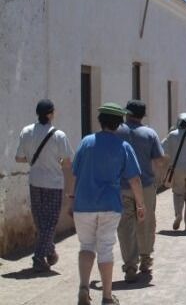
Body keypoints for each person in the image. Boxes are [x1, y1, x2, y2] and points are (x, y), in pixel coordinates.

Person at [67, 102, 145, 305]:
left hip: (83, 204)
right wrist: (140, 205)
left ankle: (84, 288)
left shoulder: (86, 143)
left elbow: (74, 174)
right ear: (119, 123)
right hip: (110, 205)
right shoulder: (123, 147)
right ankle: (107, 296)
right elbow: (135, 179)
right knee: (105, 249)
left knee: (86, 246)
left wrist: (71, 199)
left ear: (100, 121)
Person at [15, 99, 74, 272]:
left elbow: (19, 158)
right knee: (50, 222)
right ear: (50, 114)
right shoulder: (58, 135)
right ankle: (39, 257)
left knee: (41, 222)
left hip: (35, 181)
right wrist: (56, 163)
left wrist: (34, 160)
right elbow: (67, 162)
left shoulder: (26, 131)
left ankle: (50, 252)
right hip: (53, 183)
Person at [115, 100, 165, 282]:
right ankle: (145, 259)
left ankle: (129, 265)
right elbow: (159, 160)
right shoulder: (150, 133)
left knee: (125, 226)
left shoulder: (116, 131)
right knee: (146, 222)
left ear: (127, 113)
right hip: (145, 186)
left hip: (121, 186)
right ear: (143, 115)